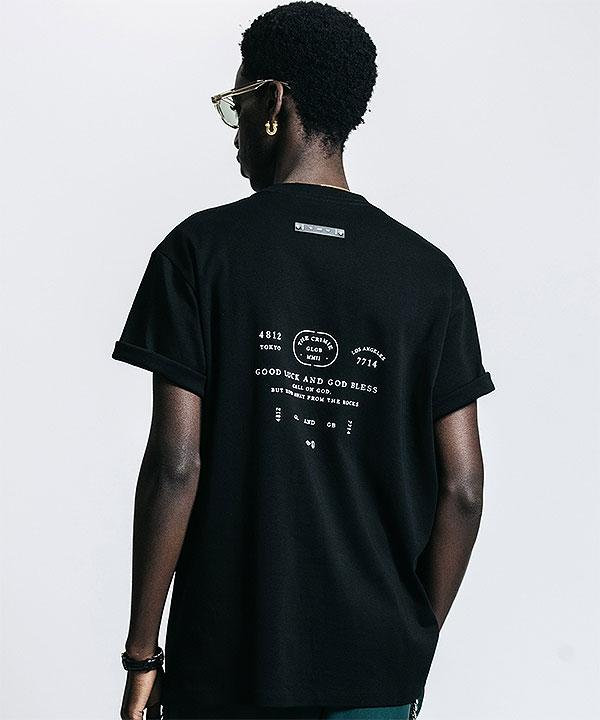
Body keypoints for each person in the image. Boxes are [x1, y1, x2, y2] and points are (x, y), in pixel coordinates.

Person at [112, 2, 496, 719]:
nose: (234, 132)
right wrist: (409, 644)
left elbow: (176, 465)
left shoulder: (199, 253)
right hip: (376, 673)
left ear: (273, 103)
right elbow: (464, 488)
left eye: (237, 104)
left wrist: (142, 656)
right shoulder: (430, 277)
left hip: (226, 670)